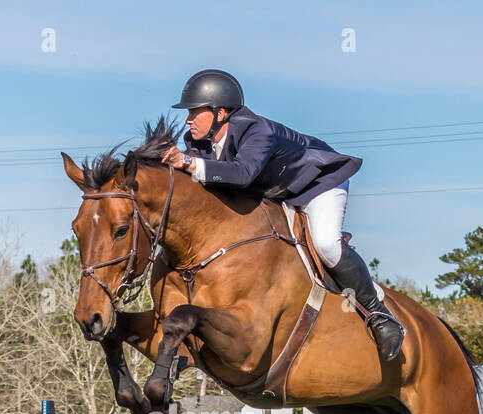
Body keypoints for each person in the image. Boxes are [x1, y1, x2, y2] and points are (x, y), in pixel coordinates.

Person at [160, 69, 404, 361]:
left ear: (220, 113)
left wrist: (186, 161)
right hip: (277, 193)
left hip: (316, 186)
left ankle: (380, 314)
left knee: (326, 243)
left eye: (194, 113)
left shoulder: (257, 130)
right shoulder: (198, 140)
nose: (188, 120)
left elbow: (241, 174)